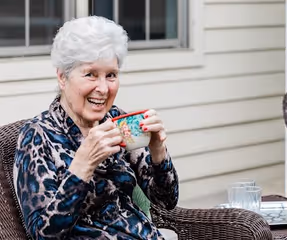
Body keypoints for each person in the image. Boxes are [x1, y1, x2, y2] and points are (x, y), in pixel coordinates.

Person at [13, 16, 179, 240]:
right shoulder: (37, 137)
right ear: (63, 77)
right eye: (90, 74)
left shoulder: (117, 121)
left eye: (111, 75)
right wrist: (83, 165)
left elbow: (165, 201)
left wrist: (158, 150)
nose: (102, 88)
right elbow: (43, 234)